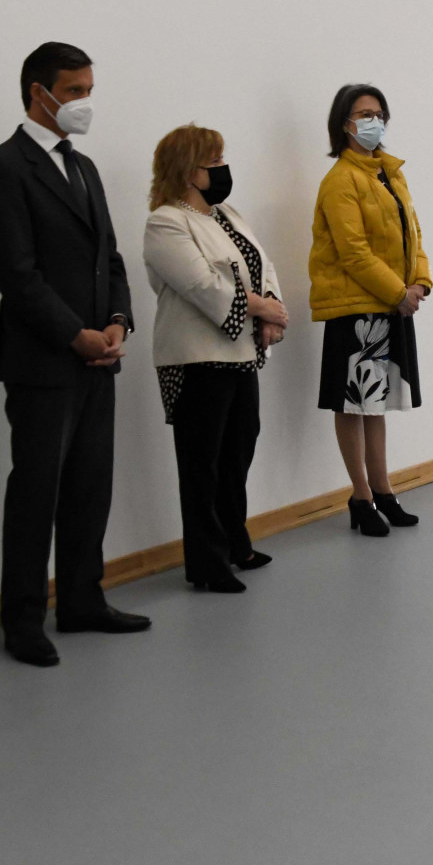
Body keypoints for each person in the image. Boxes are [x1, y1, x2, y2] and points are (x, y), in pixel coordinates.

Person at [0, 42, 145, 667]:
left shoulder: (84, 166)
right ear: (38, 93)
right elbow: (17, 277)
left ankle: (82, 599)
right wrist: (77, 335)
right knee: (35, 494)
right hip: (44, 361)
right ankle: (22, 620)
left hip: (99, 356)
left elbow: (111, 258)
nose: (84, 103)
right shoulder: (3, 168)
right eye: (74, 91)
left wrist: (118, 321)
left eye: (89, 91)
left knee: (89, 487)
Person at [144, 125, 289, 591]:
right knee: (201, 464)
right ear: (188, 171)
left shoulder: (228, 214)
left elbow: (262, 264)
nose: (224, 168)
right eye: (214, 161)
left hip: (240, 352)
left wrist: (272, 310)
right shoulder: (166, 222)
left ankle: (235, 543)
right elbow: (201, 285)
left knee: (238, 453)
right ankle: (207, 563)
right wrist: (260, 308)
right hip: (194, 359)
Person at [310, 84, 432, 537]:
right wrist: (399, 292)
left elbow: (413, 235)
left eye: (379, 113)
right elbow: (353, 252)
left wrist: (420, 282)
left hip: (390, 303)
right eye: (364, 114)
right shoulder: (340, 180)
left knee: (374, 404)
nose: (373, 121)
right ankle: (360, 497)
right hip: (356, 308)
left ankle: (384, 492)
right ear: (343, 123)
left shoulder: (390, 174)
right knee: (353, 404)